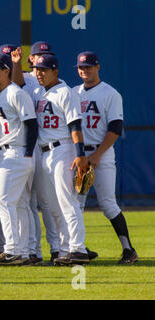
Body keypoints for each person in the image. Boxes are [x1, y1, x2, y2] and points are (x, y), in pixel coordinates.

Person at [73, 51, 137, 264]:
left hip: (102, 154)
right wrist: (81, 156)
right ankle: (78, 248)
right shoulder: (74, 92)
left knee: (108, 203)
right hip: (80, 155)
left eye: (89, 66)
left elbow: (115, 128)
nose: (84, 70)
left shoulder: (110, 93)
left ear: (98, 67)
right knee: (75, 204)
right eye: (81, 67)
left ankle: (128, 250)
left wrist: (97, 155)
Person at [31, 54, 90, 265]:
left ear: (55, 71)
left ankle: (78, 249)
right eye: (37, 70)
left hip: (63, 149)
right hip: (45, 152)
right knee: (53, 206)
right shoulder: (40, 92)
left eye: (43, 70)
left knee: (68, 202)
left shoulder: (66, 92)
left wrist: (81, 155)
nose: (39, 73)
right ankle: (65, 250)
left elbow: (75, 126)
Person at [0, 53, 38, 265]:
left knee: (3, 201)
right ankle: (22, 251)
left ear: (7, 70)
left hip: (16, 151)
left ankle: (12, 249)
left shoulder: (16, 93)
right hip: (9, 152)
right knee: (20, 204)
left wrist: (27, 153)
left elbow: (31, 124)